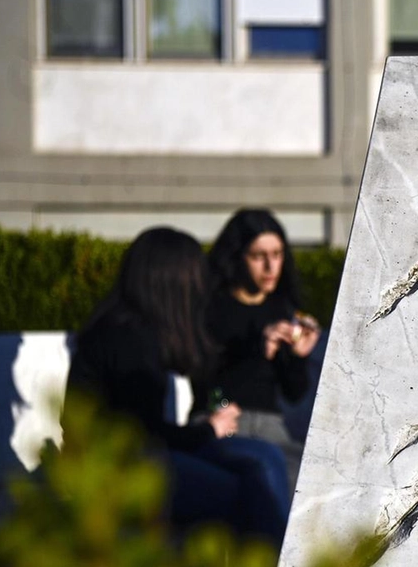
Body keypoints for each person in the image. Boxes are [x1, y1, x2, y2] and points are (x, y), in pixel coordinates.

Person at [64, 227, 290, 547]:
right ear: (174, 281)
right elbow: (144, 433)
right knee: (245, 490)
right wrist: (210, 429)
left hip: (144, 453)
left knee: (264, 457)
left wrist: (219, 408)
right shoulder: (127, 338)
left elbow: (206, 380)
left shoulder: (142, 331)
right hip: (118, 468)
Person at [200, 209, 320, 493]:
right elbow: (206, 386)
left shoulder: (281, 309)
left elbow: (294, 392)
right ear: (237, 257)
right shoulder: (211, 308)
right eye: (258, 256)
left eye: (277, 254)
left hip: (271, 426)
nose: (270, 267)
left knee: (311, 479)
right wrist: (258, 350)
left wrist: (299, 356)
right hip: (222, 421)